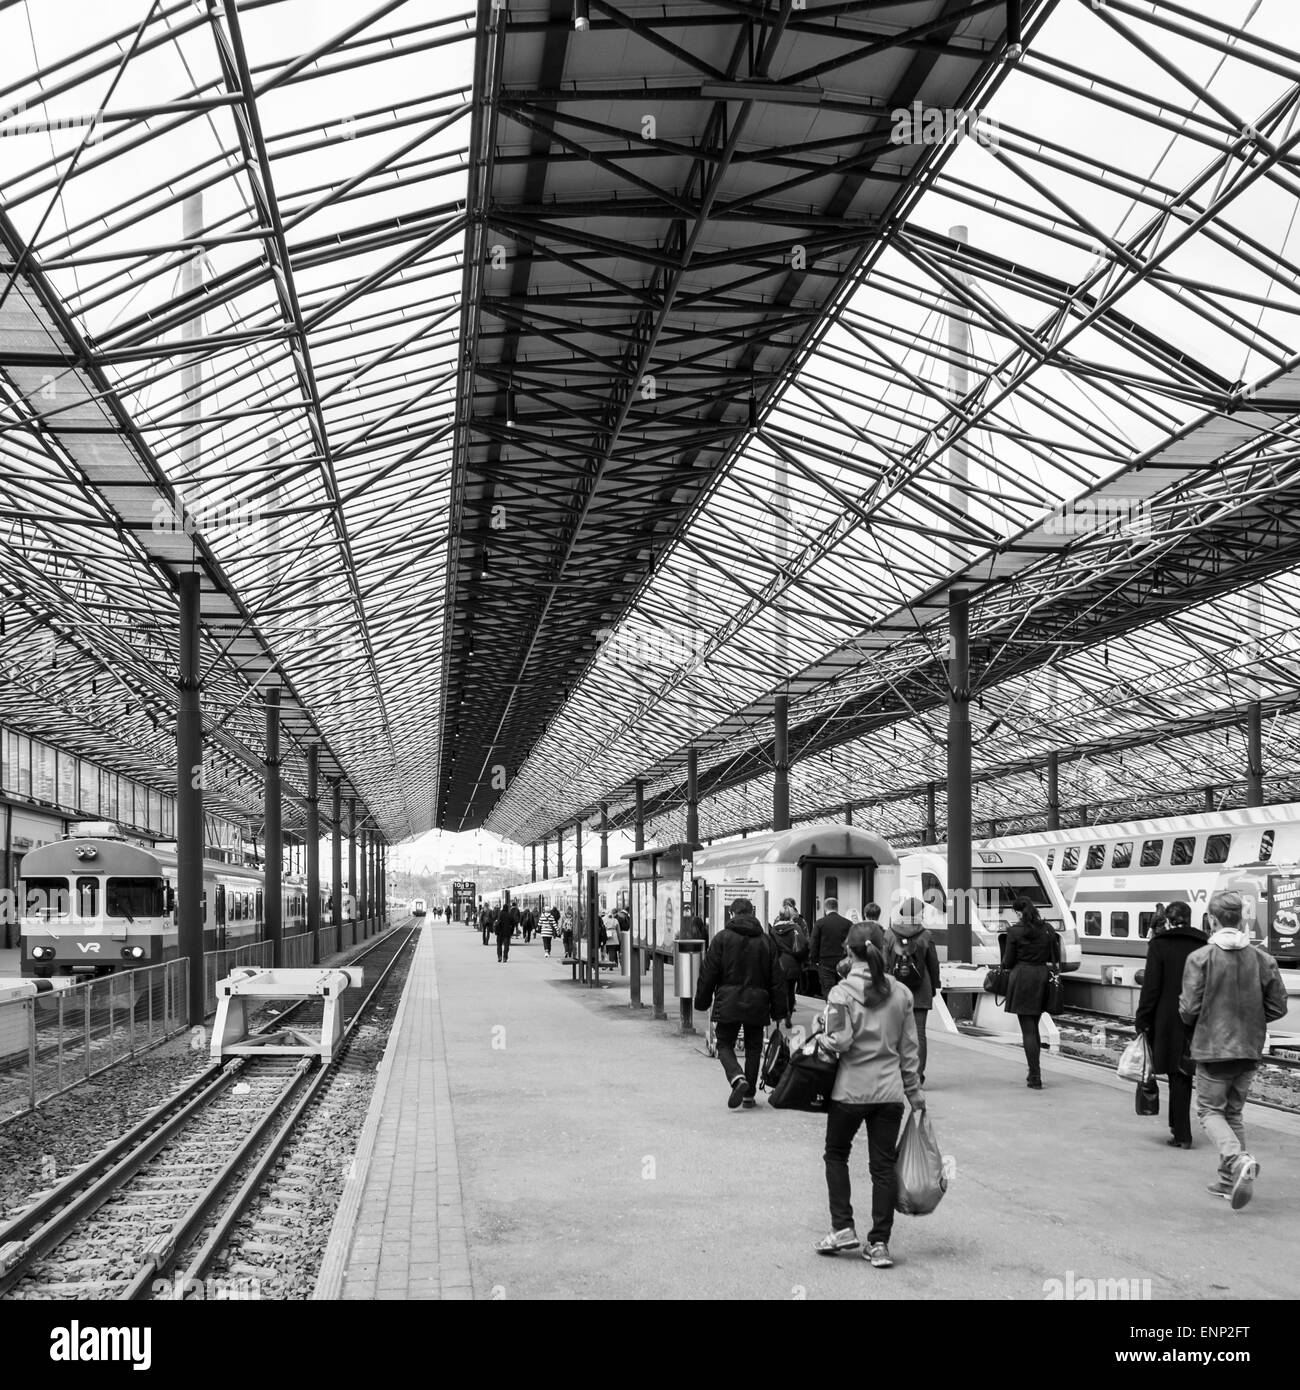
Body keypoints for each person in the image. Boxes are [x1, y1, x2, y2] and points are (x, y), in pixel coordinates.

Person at [816, 921, 925, 1269]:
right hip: (889, 1093)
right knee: (882, 1167)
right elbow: (910, 1050)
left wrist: (820, 1037)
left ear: (848, 951)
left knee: (836, 1154)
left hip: (849, 1092)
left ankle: (843, 1227)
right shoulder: (902, 994)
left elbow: (840, 1041)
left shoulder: (840, 993)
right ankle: (879, 1244)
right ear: (885, 949)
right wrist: (915, 1093)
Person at [1179, 889, 1288, 1209]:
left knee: (1210, 1112)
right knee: (1233, 1113)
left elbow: (1188, 1009)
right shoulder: (1262, 958)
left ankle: (1236, 1159)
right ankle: (1229, 1181)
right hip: (1249, 1047)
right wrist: (1252, 1018)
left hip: (1214, 1047)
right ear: (1241, 919)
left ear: (1211, 920)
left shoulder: (1201, 958)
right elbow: (1278, 1006)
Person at [694, 898, 785, 1111]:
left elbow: (708, 973)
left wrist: (702, 1001)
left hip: (728, 1001)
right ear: (752, 913)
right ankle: (749, 1095)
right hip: (758, 1003)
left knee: (724, 1043)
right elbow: (776, 979)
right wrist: (780, 1010)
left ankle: (736, 1077)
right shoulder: (766, 941)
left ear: (732, 914)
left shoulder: (721, 939)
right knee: (754, 1047)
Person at [1134, 902, 1206, 1148]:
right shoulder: (1203, 944)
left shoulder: (1159, 944)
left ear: (1167, 920)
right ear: (1189, 918)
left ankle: (1182, 1133)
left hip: (1166, 1017)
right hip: (1195, 1016)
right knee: (1182, 1074)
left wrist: (1143, 1018)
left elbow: (1151, 987)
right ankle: (1179, 1129)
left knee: (1176, 1074)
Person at [1001, 897, 1061, 1089]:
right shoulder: (1047, 929)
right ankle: (1034, 1072)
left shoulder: (1014, 931)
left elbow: (1008, 962)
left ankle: (1035, 1075)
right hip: (1042, 977)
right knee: (1033, 1025)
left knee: (1028, 1029)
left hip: (1023, 978)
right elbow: (1056, 958)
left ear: (1018, 913)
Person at [884, 898, 942, 1086]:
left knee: (896, 1034)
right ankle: (917, 1076)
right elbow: (933, 964)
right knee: (919, 1034)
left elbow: (884, 964)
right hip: (920, 988)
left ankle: (899, 1074)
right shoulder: (925, 935)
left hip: (895, 990)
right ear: (918, 914)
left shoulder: (890, 934)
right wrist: (934, 986)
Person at [770, 906, 809, 1027]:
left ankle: (778, 1015)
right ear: (790, 916)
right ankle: (788, 1014)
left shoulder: (773, 930)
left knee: (778, 991)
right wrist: (802, 961)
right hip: (792, 964)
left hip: (777, 964)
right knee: (790, 991)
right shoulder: (795, 928)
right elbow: (803, 946)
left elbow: (770, 948)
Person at [810, 897, 854, 1000]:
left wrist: (814, 959)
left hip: (825, 962)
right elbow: (851, 942)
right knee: (844, 989)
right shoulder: (847, 923)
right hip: (843, 962)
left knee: (828, 990)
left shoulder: (820, 923)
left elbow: (814, 943)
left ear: (825, 909)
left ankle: (831, 1012)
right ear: (837, 908)